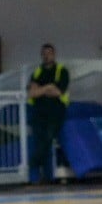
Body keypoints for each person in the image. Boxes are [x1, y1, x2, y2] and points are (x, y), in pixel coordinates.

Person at [27, 44, 70, 185]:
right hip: (38, 114)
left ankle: (33, 163)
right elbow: (32, 93)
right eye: (44, 53)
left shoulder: (62, 71)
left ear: (54, 54)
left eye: (49, 53)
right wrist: (48, 87)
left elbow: (58, 92)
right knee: (40, 141)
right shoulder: (37, 72)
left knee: (48, 138)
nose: (47, 56)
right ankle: (45, 177)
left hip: (56, 113)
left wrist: (41, 89)